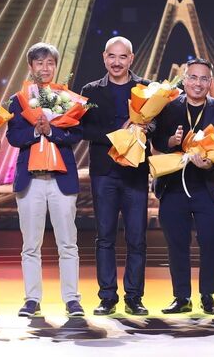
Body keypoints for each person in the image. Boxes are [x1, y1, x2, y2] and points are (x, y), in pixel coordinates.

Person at [6, 42, 84, 318]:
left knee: (68, 243)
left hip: (61, 179)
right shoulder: (18, 100)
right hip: (31, 181)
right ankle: (32, 299)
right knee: (30, 245)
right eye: (39, 63)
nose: (45, 68)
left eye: (50, 62)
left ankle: (72, 299)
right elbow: (13, 137)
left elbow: (76, 135)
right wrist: (35, 131)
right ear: (31, 67)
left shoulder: (67, 98)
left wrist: (51, 131)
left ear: (56, 66)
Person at [151, 58, 214, 315]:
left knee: (210, 242)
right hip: (173, 186)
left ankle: (208, 296)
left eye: (204, 78)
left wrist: (209, 163)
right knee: (177, 243)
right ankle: (181, 297)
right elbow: (156, 143)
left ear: (210, 82)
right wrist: (171, 141)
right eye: (193, 77)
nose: (198, 83)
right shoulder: (167, 107)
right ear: (184, 80)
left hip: (208, 186)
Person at [79, 36, 150, 316]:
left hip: (135, 173)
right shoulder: (90, 90)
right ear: (104, 57)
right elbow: (83, 129)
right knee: (105, 237)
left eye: (122, 57)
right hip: (104, 173)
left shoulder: (145, 89)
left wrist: (147, 126)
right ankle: (107, 297)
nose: (117, 62)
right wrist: (116, 134)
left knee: (137, 238)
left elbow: (157, 124)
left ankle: (134, 297)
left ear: (131, 58)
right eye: (112, 56)